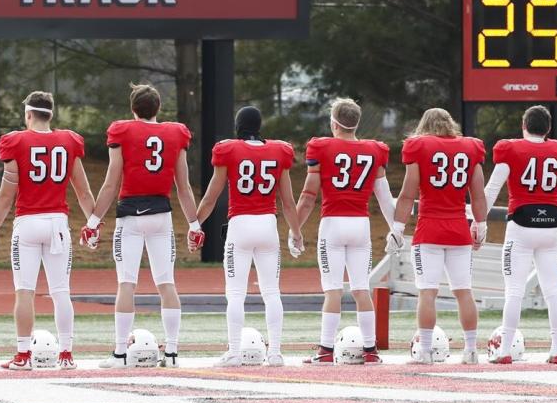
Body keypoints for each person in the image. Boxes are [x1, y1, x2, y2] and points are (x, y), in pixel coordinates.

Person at [0, 91, 94, 371]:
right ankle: (66, 355)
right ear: (51, 114)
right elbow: (82, 189)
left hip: (28, 223)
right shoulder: (68, 141)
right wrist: (92, 223)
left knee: (24, 292)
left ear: (28, 114)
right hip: (57, 223)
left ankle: (23, 355)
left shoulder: (16, 141)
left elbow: (7, 194)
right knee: (61, 292)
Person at [90, 84, 201, 368]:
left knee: (127, 283)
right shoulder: (175, 133)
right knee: (166, 283)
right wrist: (194, 224)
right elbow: (184, 187)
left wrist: (93, 220)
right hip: (161, 215)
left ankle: (119, 354)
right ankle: (173, 353)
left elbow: (111, 182)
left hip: (130, 215)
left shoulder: (122, 131)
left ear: (133, 108)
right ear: (158, 108)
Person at [485, 105, 557, 365]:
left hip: (521, 226)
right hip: (551, 227)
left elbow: (492, 188)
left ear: (524, 125)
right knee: (552, 291)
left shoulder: (510, 148)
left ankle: (504, 352)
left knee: (513, 291)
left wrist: (479, 221)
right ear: (548, 128)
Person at [197, 106, 302, 367]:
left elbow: (211, 196)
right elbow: (288, 202)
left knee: (235, 293)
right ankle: (275, 352)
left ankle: (234, 352)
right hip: (268, 224)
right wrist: (296, 232)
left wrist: (194, 223)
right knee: (271, 292)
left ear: (238, 126)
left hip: (240, 224)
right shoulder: (279, 151)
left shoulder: (228, 149)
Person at [294, 98, 393, 365]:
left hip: (333, 225)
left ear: (334, 123)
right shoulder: (374, 150)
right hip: (361, 225)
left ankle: (325, 350)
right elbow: (385, 197)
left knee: (333, 291)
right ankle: (371, 351)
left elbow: (307, 196)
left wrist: (296, 229)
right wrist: (396, 227)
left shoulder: (321, 147)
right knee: (362, 289)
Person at [390, 107, 487, 365]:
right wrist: (482, 223)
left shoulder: (419, 146)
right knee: (464, 292)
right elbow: (478, 195)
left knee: (427, 293)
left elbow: (408, 194)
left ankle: (424, 351)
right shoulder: (470, 147)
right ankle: (470, 350)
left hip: (429, 229)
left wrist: (398, 227)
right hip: (458, 229)